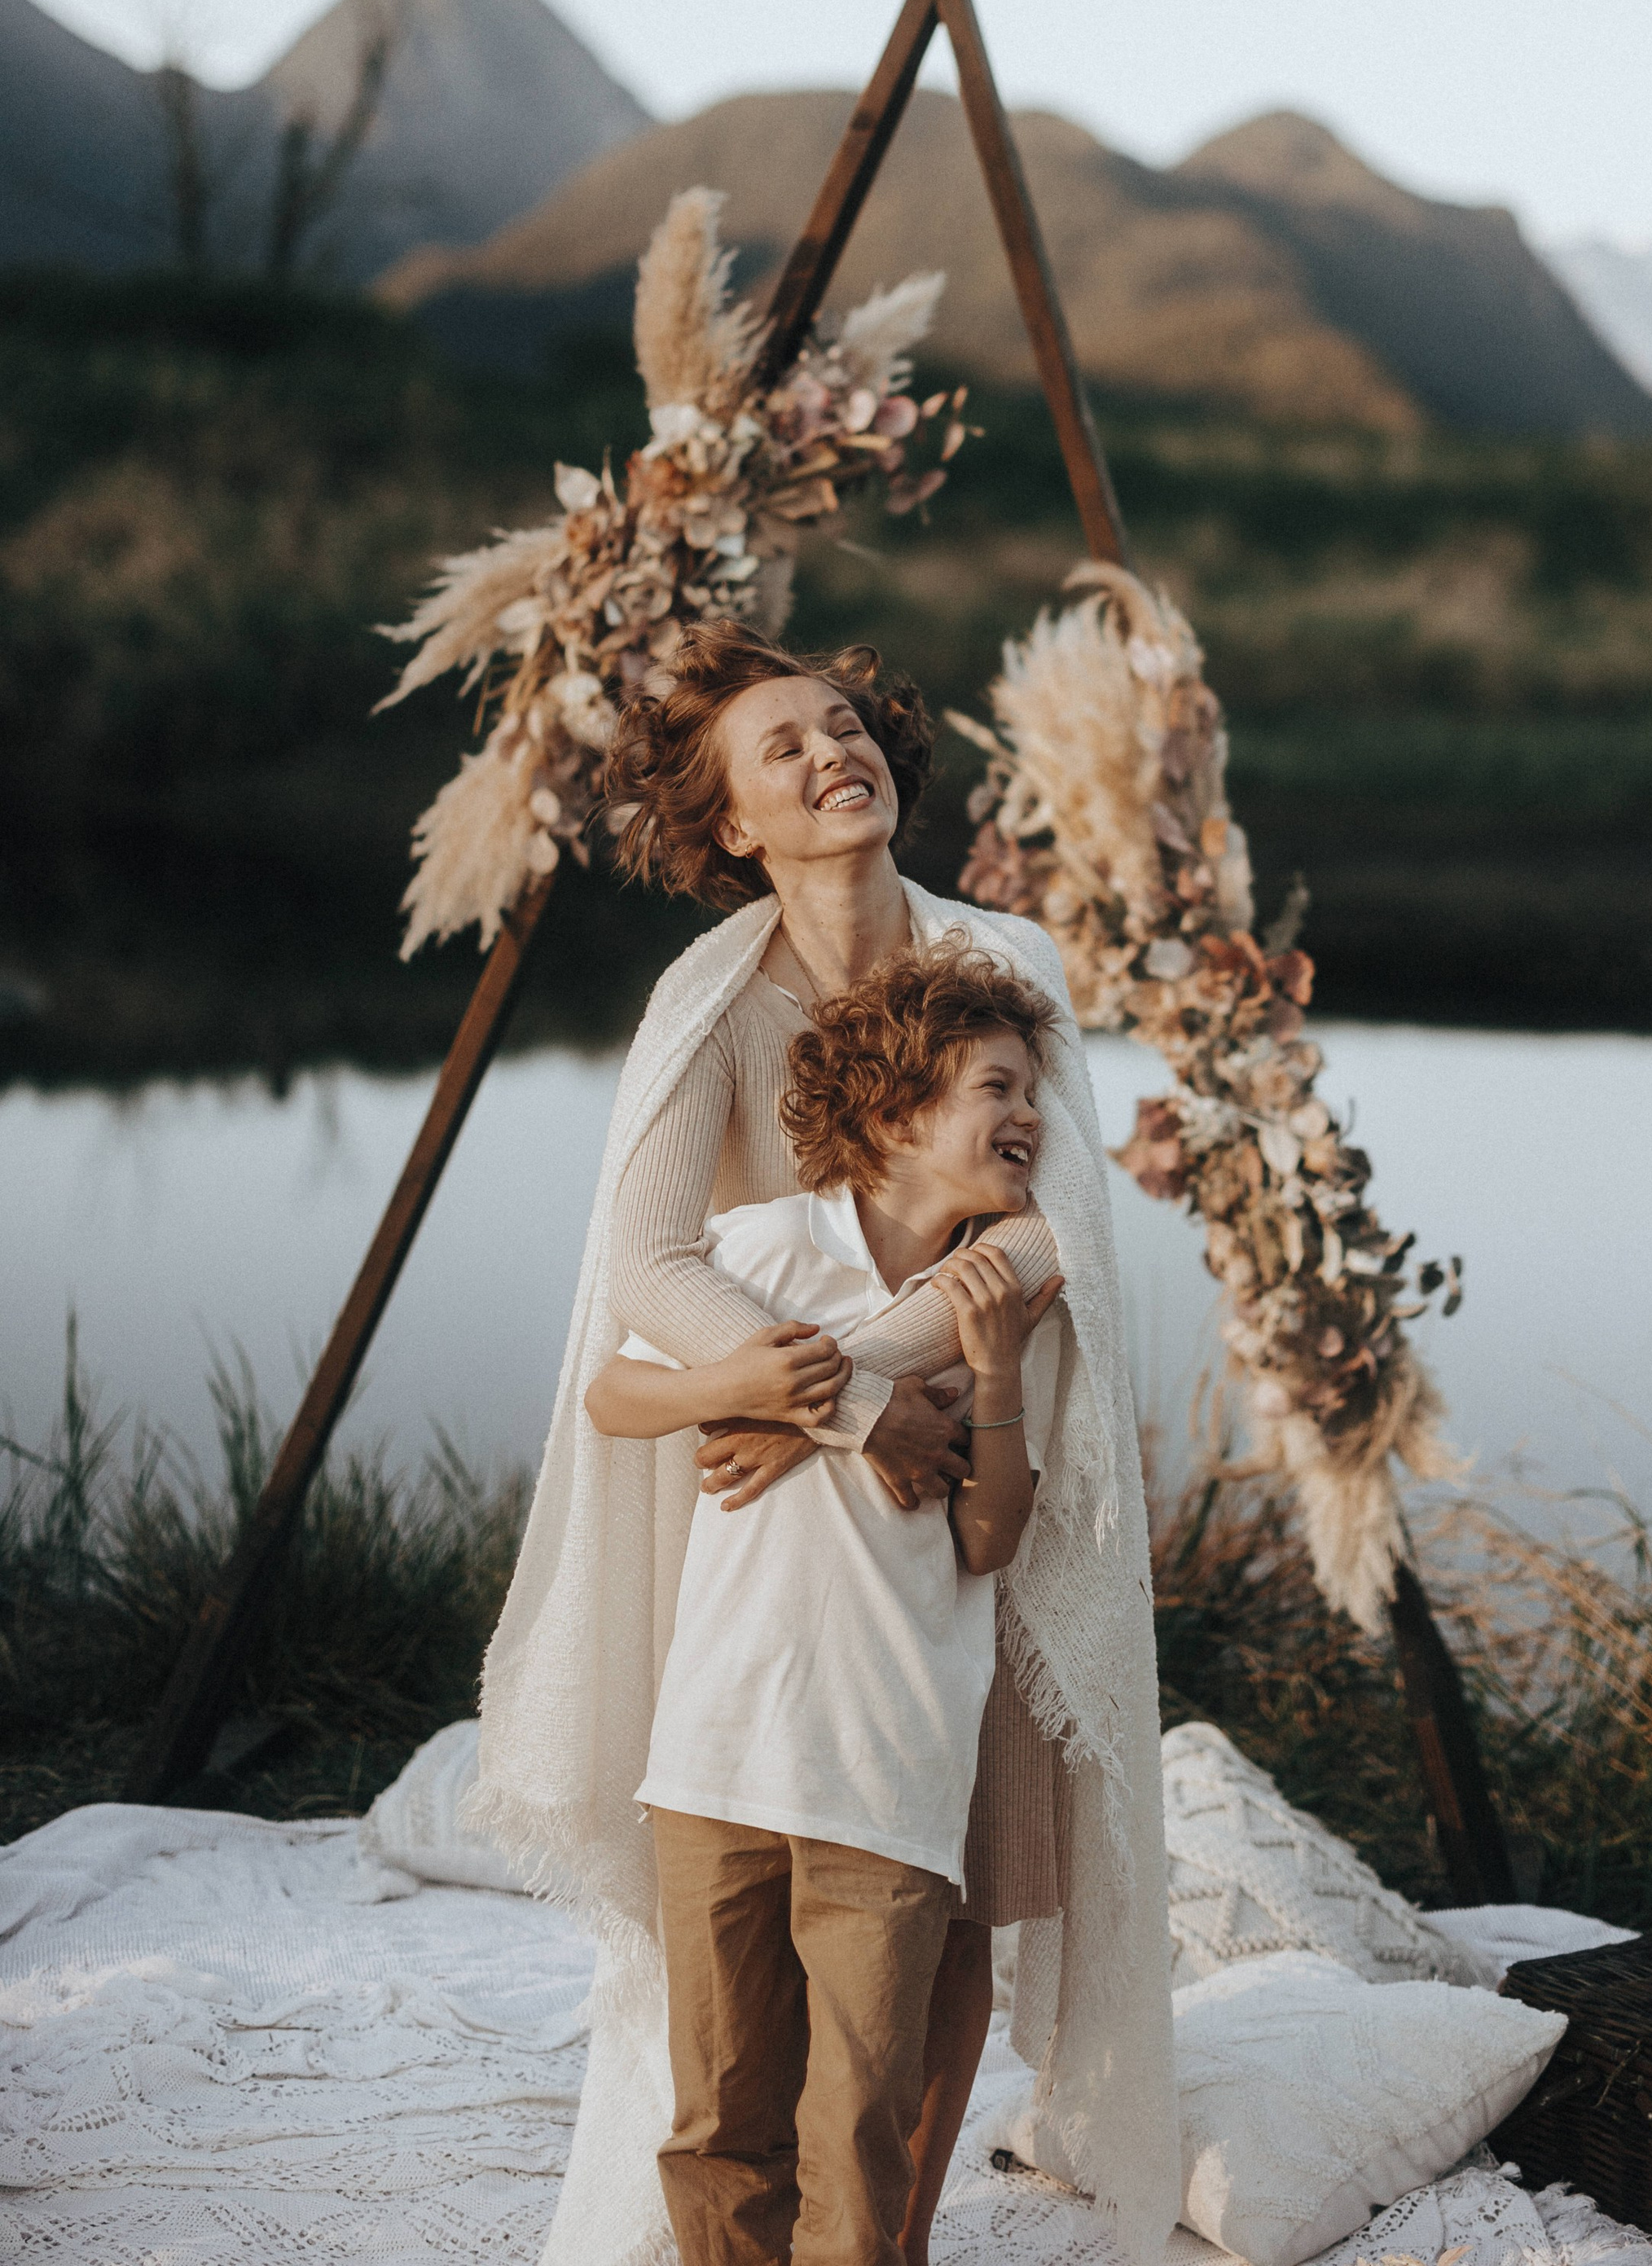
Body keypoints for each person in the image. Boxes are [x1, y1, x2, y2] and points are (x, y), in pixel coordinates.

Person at [467, 621, 1177, 2266]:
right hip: (784, 1496)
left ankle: (890, 2235)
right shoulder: (707, 1003)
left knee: (958, 1890)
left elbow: (1045, 1230)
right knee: (765, 1912)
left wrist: (885, 1372)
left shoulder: (1003, 959)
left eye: (843, 723)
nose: (828, 752)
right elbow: (642, 1266)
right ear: (728, 824)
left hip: (980, 1459)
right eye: (778, 745)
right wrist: (828, 1401)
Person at [582, 945, 1065, 2265]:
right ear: (902, 1111)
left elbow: (990, 1536)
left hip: (887, 1764)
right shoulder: (756, 1248)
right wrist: (754, 1388)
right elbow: (614, 1399)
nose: (1029, 1118)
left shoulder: (1004, 1295)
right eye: (995, 1087)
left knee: (860, 2122)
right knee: (718, 2116)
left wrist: (996, 1370)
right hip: (719, 1750)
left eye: (1031, 1091)